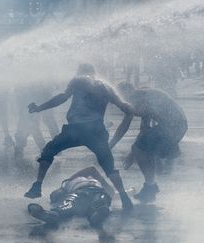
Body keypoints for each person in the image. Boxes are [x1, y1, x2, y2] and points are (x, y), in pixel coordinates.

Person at [24, 63, 134, 210]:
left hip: (76, 129)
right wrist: (131, 109)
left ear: (80, 72)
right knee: (108, 165)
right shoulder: (106, 88)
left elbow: (62, 98)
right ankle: (124, 197)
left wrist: (39, 108)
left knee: (49, 150)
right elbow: (123, 105)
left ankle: (37, 185)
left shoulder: (79, 80)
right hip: (96, 131)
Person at [111, 82, 188, 202]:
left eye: (119, 97)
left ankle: (150, 187)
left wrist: (111, 145)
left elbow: (125, 125)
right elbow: (144, 128)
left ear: (125, 93)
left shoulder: (135, 97)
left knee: (139, 148)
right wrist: (134, 153)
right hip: (178, 125)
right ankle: (150, 187)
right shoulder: (144, 94)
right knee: (143, 149)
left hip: (172, 126)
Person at [28, 166, 114, 227]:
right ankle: (48, 215)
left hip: (97, 191)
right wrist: (60, 191)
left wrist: (106, 184)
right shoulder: (65, 188)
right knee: (68, 205)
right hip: (80, 192)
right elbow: (54, 196)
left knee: (99, 202)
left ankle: (97, 215)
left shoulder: (70, 181)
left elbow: (92, 169)